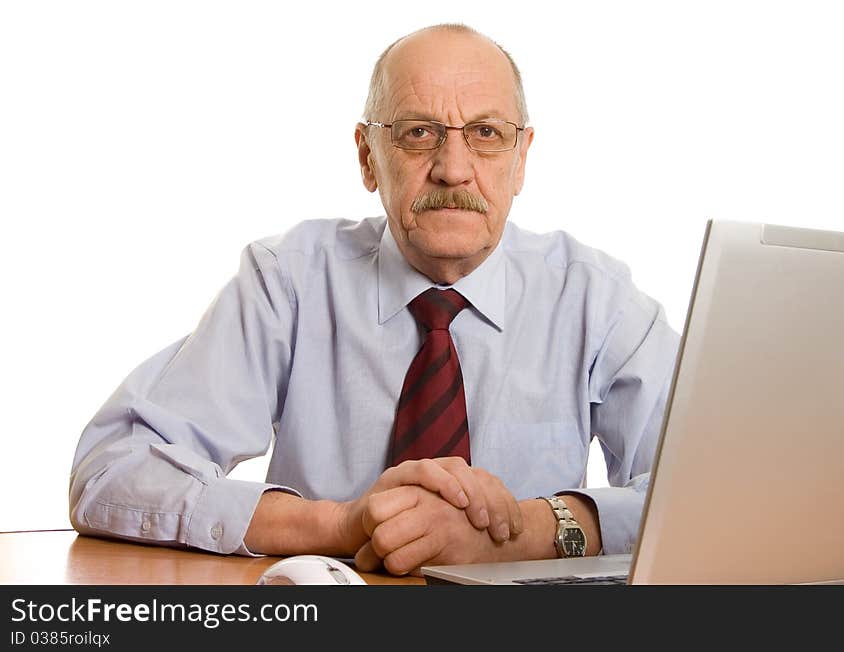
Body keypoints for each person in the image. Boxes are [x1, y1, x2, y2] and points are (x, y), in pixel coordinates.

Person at [69, 23, 679, 576]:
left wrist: (527, 532)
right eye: (420, 133)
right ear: (368, 156)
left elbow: (711, 490)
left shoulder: (595, 299)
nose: (453, 168)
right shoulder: (290, 282)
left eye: (487, 134)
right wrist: (338, 524)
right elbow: (113, 470)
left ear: (521, 160)